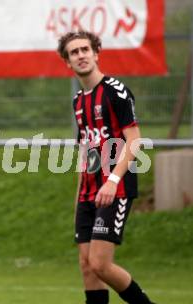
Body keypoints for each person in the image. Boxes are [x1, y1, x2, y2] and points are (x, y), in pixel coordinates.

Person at [57, 31, 155, 304]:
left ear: (96, 53)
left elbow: (134, 141)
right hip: (89, 192)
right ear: (68, 62)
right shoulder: (78, 101)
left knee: (100, 263)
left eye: (85, 49)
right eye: (74, 52)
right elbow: (86, 151)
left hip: (116, 186)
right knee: (87, 266)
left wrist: (112, 180)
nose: (81, 55)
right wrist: (79, 198)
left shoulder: (115, 91)